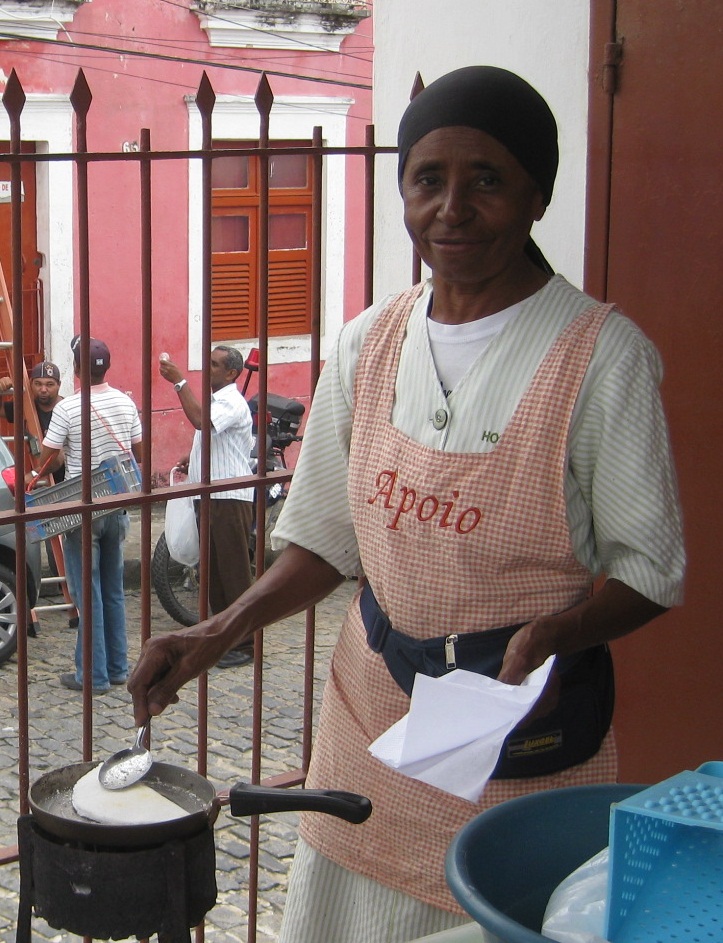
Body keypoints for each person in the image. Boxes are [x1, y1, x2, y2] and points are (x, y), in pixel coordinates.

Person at [129, 66, 685, 941]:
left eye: (486, 179)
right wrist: (213, 633)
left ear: (536, 196)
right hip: (371, 717)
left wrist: (556, 633)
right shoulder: (369, 342)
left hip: (514, 735)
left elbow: (650, 570)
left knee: (483, 913)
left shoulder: (600, 357)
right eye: (428, 180)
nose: (451, 208)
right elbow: (324, 540)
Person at [39, 336, 142, 694]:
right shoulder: (125, 402)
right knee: (113, 590)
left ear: (77, 369)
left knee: (88, 594)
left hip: (84, 508)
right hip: (118, 502)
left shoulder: (68, 409)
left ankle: (93, 676)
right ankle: (118, 668)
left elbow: (47, 458)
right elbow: (138, 451)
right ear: (107, 367)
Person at [159, 345, 255, 667]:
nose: (207, 368)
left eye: (214, 364)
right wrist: (194, 457)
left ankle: (245, 644)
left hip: (228, 497)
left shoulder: (231, 402)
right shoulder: (216, 401)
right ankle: (223, 640)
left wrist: (179, 382)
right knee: (213, 573)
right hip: (210, 496)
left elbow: (201, 422)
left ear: (231, 373)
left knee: (234, 573)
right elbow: (212, 436)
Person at [0, 360, 66, 481]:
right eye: (38, 384)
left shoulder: (68, 410)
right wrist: (1, 389)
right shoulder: (27, 408)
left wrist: (32, 476)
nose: (43, 389)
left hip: (69, 482)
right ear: (30, 383)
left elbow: (57, 460)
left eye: (49, 384)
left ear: (59, 385)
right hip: (41, 485)